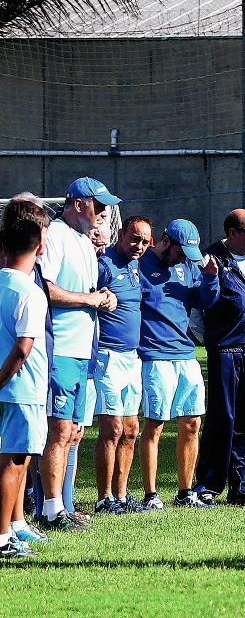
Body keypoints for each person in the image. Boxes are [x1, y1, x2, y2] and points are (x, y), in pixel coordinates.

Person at [36, 178, 119, 532]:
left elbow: (86, 293)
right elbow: (47, 289)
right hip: (61, 350)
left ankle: (64, 504)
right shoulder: (54, 234)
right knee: (58, 430)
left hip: (84, 352)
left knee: (73, 432)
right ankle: (50, 510)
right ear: (80, 203)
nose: (103, 213)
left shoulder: (85, 242)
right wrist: (89, 300)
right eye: (98, 205)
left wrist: (104, 298)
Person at [138, 219, 220, 510]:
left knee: (192, 422)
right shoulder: (140, 265)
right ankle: (150, 495)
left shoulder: (187, 268)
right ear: (164, 241)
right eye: (180, 251)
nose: (184, 257)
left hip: (185, 354)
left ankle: (185, 492)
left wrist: (210, 278)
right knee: (155, 425)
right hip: (155, 355)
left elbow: (204, 302)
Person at [195, 210, 245, 508]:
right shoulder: (211, 260)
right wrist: (214, 338)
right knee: (222, 418)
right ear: (232, 233)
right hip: (225, 349)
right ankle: (209, 484)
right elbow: (197, 310)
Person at [93, 216, 153, 515]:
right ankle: (104, 498)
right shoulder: (104, 265)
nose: (139, 245)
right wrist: (102, 296)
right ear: (121, 233)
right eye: (134, 238)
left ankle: (121, 494)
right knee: (112, 428)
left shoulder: (135, 267)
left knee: (130, 430)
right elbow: (87, 298)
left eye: (144, 241)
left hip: (132, 358)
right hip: (107, 357)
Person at [0, 218, 50, 560]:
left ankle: (12, 528)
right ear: (39, 247)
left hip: (8, 391)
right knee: (14, 464)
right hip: (21, 388)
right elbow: (23, 348)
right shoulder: (30, 291)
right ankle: (2, 539)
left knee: (11, 460)